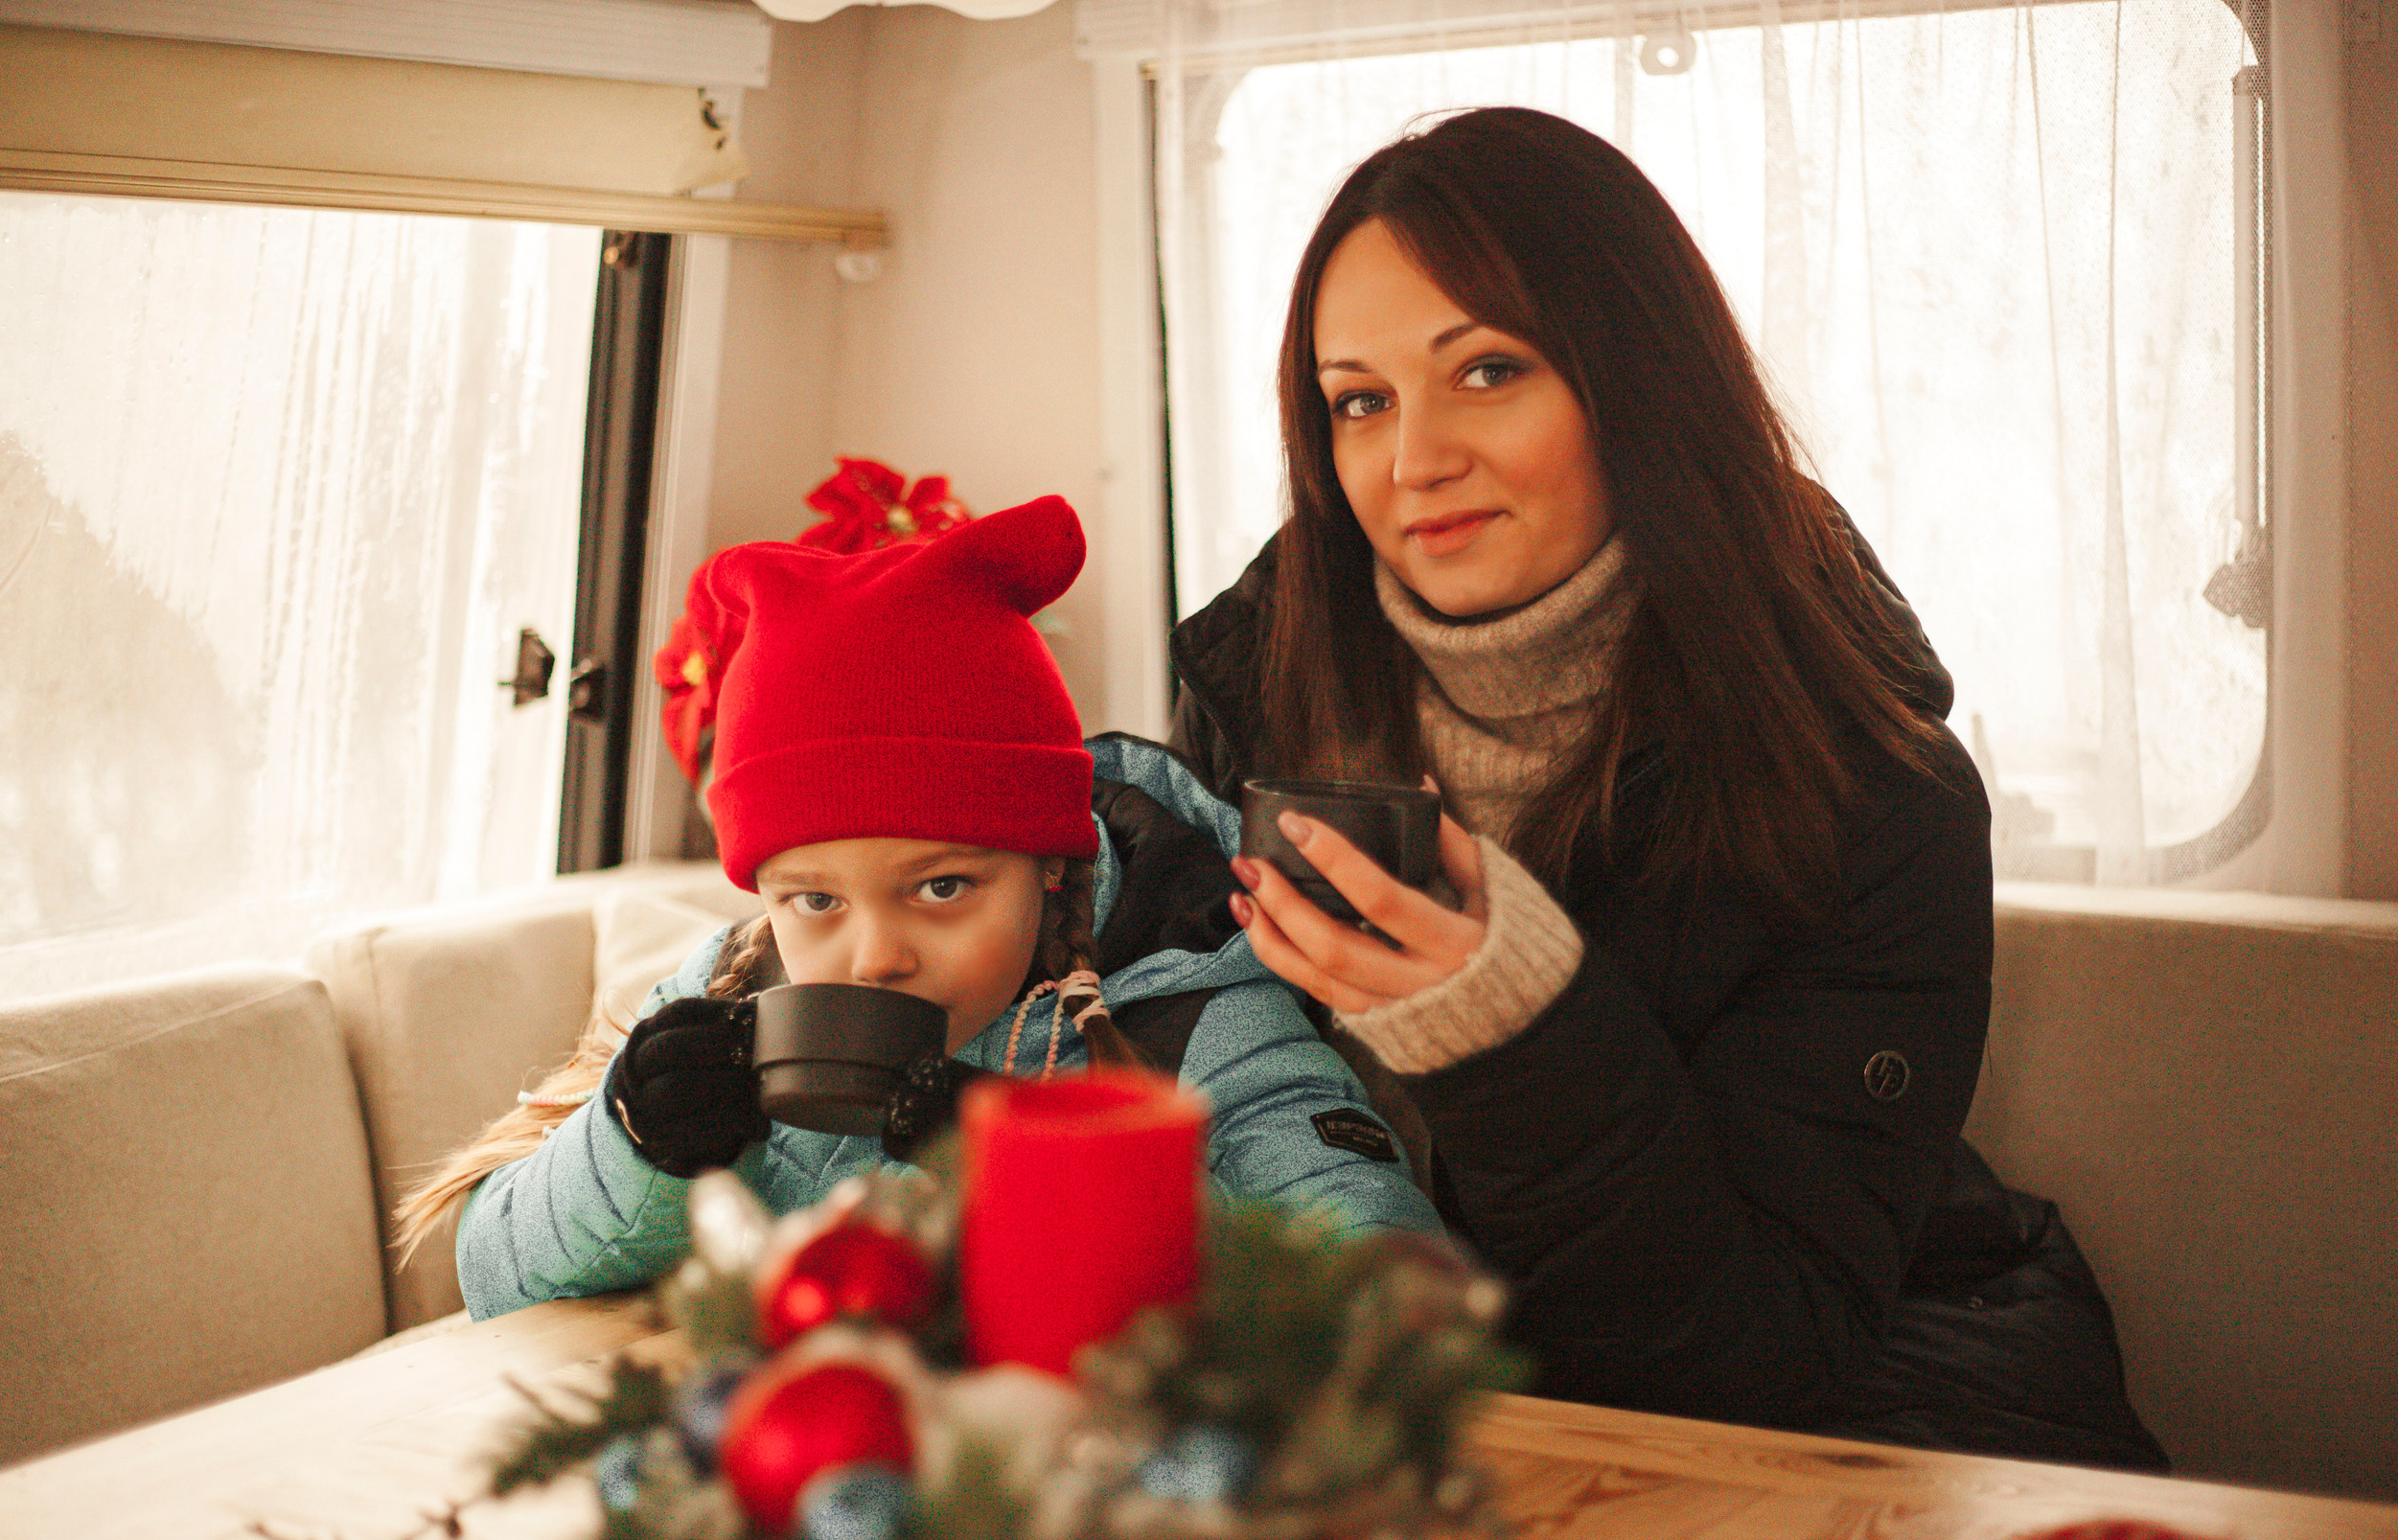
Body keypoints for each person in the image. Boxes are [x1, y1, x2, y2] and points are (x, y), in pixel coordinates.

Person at [1167, 107, 2163, 1467]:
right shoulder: (1256, 694)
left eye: (1489, 370)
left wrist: (1511, 1027)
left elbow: (1752, 1347)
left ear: (1639, 382)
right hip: (1389, 1423)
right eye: (1360, 400)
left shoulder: (1873, 792)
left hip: (1843, 1411)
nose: (1413, 460)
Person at [403, 495, 1441, 1322]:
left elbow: (1390, 1299)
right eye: (816, 898)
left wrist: (1050, 1189)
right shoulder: (733, 989)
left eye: (941, 888)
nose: (875, 955)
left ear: (1049, 864)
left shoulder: (1189, 1019)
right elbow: (487, 1271)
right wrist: (635, 1146)